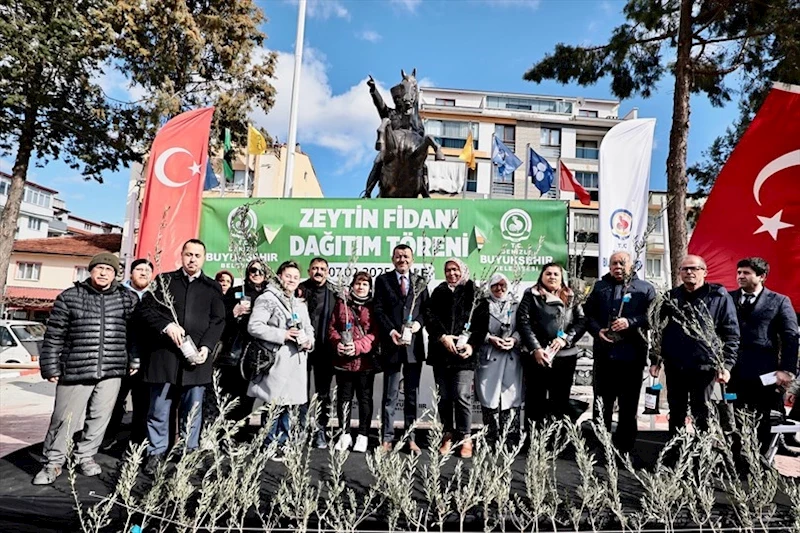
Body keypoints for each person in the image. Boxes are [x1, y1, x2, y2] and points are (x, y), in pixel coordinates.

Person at [33, 253, 139, 485]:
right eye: (99, 268)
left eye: (108, 269)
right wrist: (50, 366)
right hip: (75, 369)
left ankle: (85, 456)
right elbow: (54, 335)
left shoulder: (126, 298)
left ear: (115, 274)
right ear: (90, 271)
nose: (103, 273)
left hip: (111, 369)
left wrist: (134, 359)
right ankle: (53, 462)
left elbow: (134, 335)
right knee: (64, 418)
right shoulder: (70, 297)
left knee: (100, 417)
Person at [137, 239, 226, 474]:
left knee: (192, 411)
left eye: (197, 255)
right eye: (188, 254)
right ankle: (156, 453)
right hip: (164, 358)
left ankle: (189, 452)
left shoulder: (212, 287)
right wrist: (166, 325)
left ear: (204, 258)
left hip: (195, 361)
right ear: (181, 256)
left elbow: (218, 320)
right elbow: (145, 309)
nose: (192, 259)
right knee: (158, 410)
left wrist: (207, 345)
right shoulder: (164, 281)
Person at [649, 254, 739, 435]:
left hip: (705, 367)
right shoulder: (670, 297)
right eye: (685, 269)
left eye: (694, 268)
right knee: (676, 412)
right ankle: (675, 455)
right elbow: (659, 331)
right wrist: (655, 360)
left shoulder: (719, 296)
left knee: (703, 413)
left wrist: (727, 365)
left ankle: (702, 455)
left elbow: (731, 334)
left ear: (704, 272)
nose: (689, 272)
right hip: (676, 366)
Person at [584, 251, 655, 454]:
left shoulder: (645, 289)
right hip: (604, 356)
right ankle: (600, 447)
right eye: (614, 263)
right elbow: (587, 316)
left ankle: (624, 449)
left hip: (631, 357)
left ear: (631, 265)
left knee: (628, 407)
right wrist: (597, 331)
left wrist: (631, 322)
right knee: (601, 406)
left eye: (622, 263)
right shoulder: (600, 287)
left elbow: (654, 318)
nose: (618, 267)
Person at [727, 257, 798, 455]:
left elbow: (790, 338)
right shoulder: (727, 298)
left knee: (763, 420)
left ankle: (760, 465)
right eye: (739, 272)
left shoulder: (779, 301)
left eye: (746, 273)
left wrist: (787, 370)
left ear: (762, 276)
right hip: (732, 373)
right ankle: (734, 463)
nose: (740, 276)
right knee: (731, 417)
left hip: (764, 374)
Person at [247, 260, 314, 460]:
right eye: (288, 276)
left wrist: (309, 342)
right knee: (275, 403)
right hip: (277, 360)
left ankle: (283, 442)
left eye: (295, 277)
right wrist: (283, 334)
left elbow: (309, 328)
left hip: (297, 361)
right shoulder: (267, 299)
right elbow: (254, 326)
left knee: (291, 404)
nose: (292, 280)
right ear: (279, 277)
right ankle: (269, 443)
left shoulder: (299, 303)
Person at [424, 258, 487, 458]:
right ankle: (448, 434)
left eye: (455, 269)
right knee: (444, 397)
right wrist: (442, 337)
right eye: (448, 270)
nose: (451, 273)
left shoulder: (474, 292)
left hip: (464, 356)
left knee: (461, 395)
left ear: (463, 270)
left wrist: (471, 344)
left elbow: (482, 323)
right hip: (441, 354)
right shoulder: (439, 291)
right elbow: (429, 317)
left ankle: (466, 437)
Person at [373, 244, 429, 454]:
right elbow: (378, 309)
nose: (402, 259)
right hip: (392, 346)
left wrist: (418, 324)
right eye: (398, 256)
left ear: (412, 259)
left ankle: (411, 438)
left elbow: (426, 310)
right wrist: (391, 332)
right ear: (392, 259)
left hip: (413, 348)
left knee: (412, 395)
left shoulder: (420, 282)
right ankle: (386, 438)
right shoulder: (383, 280)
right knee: (390, 395)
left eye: (406, 256)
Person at [518, 263, 587, 429]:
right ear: (542, 276)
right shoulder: (531, 295)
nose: (552, 277)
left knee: (560, 400)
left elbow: (582, 321)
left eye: (556, 274)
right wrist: (536, 348)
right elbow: (523, 322)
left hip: (564, 357)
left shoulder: (572, 296)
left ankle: (558, 440)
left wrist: (565, 339)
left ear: (561, 277)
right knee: (535, 400)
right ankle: (533, 442)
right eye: (548, 273)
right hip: (538, 356)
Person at [102, 258, 154, 451]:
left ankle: (137, 440)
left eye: (147, 270)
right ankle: (108, 436)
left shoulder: (155, 296)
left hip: (147, 358)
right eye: (139, 269)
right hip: (118, 356)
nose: (143, 273)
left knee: (142, 403)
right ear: (130, 273)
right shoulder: (118, 293)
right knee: (114, 400)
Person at [328, 271, 379, 453]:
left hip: (365, 361)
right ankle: (345, 433)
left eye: (365, 284)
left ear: (369, 288)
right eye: (358, 283)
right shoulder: (342, 303)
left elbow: (375, 333)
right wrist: (337, 343)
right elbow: (333, 327)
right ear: (352, 285)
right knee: (344, 398)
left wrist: (358, 346)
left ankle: (363, 435)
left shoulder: (373, 306)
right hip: (343, 361)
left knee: (364, 399)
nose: (361, 287)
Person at [217, 259, 269, 425]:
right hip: (237, 351)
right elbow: (220, 319)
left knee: (250, 396)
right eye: (253, 270)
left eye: (261, 271)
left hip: (261, 352)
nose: (257, 274)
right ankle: (225, 433)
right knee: (232, 395)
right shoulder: (236, 292)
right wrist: (234, 312)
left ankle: (242, 432)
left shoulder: (270, 295)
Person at [475, 273, 524, 446]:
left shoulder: (516, 304)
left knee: (511, 396)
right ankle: (491, 437)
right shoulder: (481, 305)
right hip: (489, 355)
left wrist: (515, 339)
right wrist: (490, 338)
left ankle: (511, 438)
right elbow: (475, 329)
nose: (499, 288)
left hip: (512, 356)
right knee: (489, 395)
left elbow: (524, 326)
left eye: (503, 285)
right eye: (495, 285)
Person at [297, 257, 336, 449]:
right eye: (314, 268)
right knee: (299, 392)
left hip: (325, 351)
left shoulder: (334, 292)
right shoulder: (299, 290)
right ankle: (301, 429)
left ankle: (321, 429)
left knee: (323, 394)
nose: (318, 272)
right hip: (300, 350)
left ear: (328, 272)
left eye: (322, 269)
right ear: (309, 271)